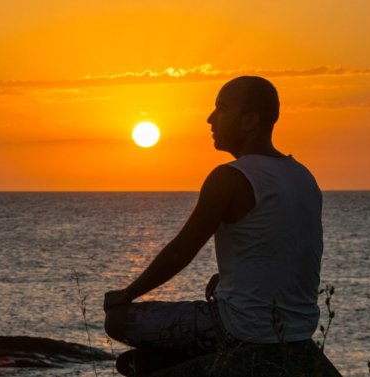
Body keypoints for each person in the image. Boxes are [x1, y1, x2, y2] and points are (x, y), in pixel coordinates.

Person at [103, 76, 323, 366]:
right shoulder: (303, 176)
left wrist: (127, 293)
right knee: (138, 361)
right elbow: (284, 251)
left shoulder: (230, 177)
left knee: (117, 321)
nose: (209, 118)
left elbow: (183, 249)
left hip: (240, 329)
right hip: (296, 331)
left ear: (249, 121)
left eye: (221, 108)